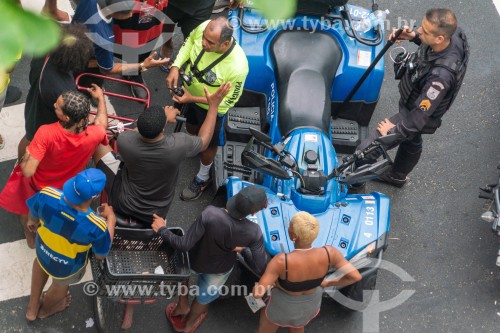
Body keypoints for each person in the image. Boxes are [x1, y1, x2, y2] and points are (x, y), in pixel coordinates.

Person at [356, 8, 469, 188]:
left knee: (365, 151)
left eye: (424, 31)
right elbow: (430, 44)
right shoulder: (452, 34)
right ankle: (397, 176)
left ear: (440, 38)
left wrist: (392, 132)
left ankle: (354, 182)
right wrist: (413, 36)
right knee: (412, 139)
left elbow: (416, 120)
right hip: (415, 102)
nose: (420, 31)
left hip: (418, 113)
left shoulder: (440, 78)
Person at [93, 82, 231, 224]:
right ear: (162, 128)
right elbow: (205, 141)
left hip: (123, 201)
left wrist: (101, 99)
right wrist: (213, 106)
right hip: (157, 213)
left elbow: (136, 130)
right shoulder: (179, 144)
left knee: (97, 140)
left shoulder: (125, 140)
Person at [0, 87, 109, 248]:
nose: (54, 105)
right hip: (66, 188)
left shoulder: (46, 133)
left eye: (57, 105)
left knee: (27, 209)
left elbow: (28, 171)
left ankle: (30, 236)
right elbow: (102, 122)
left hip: (39, 187)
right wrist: (101, 99)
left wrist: (27, 157)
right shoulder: (95, 134)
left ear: (65, 117)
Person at [152, 185, 269, 333]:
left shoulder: (210, 214)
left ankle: (182, 305)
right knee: (204, 297)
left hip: (194, 258)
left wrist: (163, 229)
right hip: (220, 269)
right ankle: (188, 325)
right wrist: (243, 250)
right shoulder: (254, 232)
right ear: (254, 211)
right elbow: (260, 267)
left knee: (184, 274)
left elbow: (183, 244)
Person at [166, 17, 249, 201]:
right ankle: (195, 145)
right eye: (204, 38)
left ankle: (203, 177)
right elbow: (189, 43)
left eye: (210, 42)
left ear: (225, 43)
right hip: (188, 95)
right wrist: (175, 66)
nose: (203, 43)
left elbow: (228, 101)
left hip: (210, 109)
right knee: (191, 128)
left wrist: (192, 98)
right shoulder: (205, 27)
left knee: (208, 145)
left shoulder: (238, 67)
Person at [25, 168, 117, 321]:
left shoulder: (47, 194)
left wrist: (32, 222)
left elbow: (32, 218)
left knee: (40, 265)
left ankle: (32, 310)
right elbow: (101, 254)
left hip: (43, 249)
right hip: (68, 265)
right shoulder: (97, 226)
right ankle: (46, 311)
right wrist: (111, 220)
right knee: (61, 284)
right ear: (94, 196)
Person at [252, 211, 362, 333]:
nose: (288, 227)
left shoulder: (281, 261)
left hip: (283, 307)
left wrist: (261, 287)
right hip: (309, 305)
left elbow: (258, 293)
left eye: (290, 226)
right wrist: (328, 283)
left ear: (294, 236)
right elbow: (355, 276)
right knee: (298, 325)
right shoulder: (330, 253)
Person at [18, 23, 93, 161]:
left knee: (29, 137)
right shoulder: (64, 88)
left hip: (35, 101)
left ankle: (20, 165)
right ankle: (23, 168)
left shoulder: (43, 52)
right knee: (33, 141)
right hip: (45, 116)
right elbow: (70, 116)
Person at [72, 0, 169, 97]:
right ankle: (89, 92)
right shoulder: (105, 39)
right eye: (128, 12)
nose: (131, 15)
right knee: (91, 75)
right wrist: (143, 65)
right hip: (87, 58)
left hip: (76, 41)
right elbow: (107, 69)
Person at [113, 0, 170, 98]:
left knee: (146, 46)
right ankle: (94, 76)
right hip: (128, 11)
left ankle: (134, 73)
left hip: (154, 11)